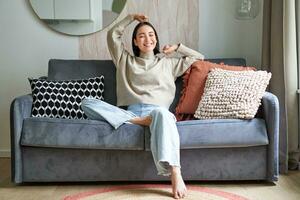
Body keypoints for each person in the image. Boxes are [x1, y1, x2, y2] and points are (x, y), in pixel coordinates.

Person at [81, 14, 204, 199]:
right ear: (135, 42)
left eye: (151, 34)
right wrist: (131, 18)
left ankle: (176, 173)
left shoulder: (168, 63)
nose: (148, 39)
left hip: (157, 113)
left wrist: (177, 48)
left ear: (156, 38)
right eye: (142, 35)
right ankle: (141, 121)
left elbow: (199, 58)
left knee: (163, 115)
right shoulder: (124, 60)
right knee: (86, 103)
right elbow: (112, 34)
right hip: (129, 114)